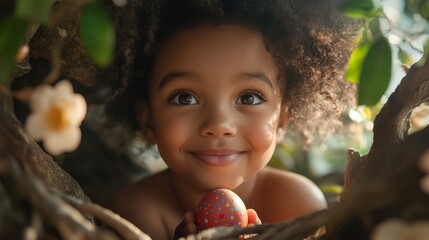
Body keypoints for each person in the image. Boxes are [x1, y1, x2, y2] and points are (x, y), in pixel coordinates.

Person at [107, 0, 357, 239]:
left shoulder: (296, 203)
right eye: (184, 98)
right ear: (149, 121)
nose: (218, 125)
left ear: (282, 118)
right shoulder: (135, 213)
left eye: (249, 98)